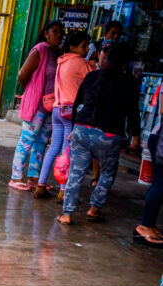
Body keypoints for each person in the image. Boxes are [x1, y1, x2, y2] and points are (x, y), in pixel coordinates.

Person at [57, 43, 140, 225]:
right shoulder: (129, 83)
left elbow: (78, 105)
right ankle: (94, 208)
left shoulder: (92, 77)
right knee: (107, 173)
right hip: (108, 136)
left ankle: (67, 214)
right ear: (125, 64)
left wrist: (73, 130)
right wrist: (136, 136)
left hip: (82, 130)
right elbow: (133, 112)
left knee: (75, 173)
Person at [36, 30, 93, 200]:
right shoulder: (82, 63)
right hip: (71, 111)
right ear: (73, 47)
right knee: (67, 151)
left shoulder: (61, 61)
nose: (86, 48)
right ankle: (63, 190)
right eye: (84, 46)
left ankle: (40, 185)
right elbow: (92, 81)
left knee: (53, 148)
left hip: (56, 109)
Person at [9, 21, 63, 191]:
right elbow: (22, 75)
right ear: (46, 33)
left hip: (50, 106)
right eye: (55, 31)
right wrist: (31, 90)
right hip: (36, 106)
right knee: (27, 140)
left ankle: (34, 178)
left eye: (61, 32)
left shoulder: (59, 52)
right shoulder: (40, 49)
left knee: (41, 143)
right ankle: (16, 177)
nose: (59, 35)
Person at [134, 103, 163, 246]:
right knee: (160, 184)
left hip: (158, 138)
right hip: (160, 139)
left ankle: (149, 224)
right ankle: (144, 227)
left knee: (159, 183)